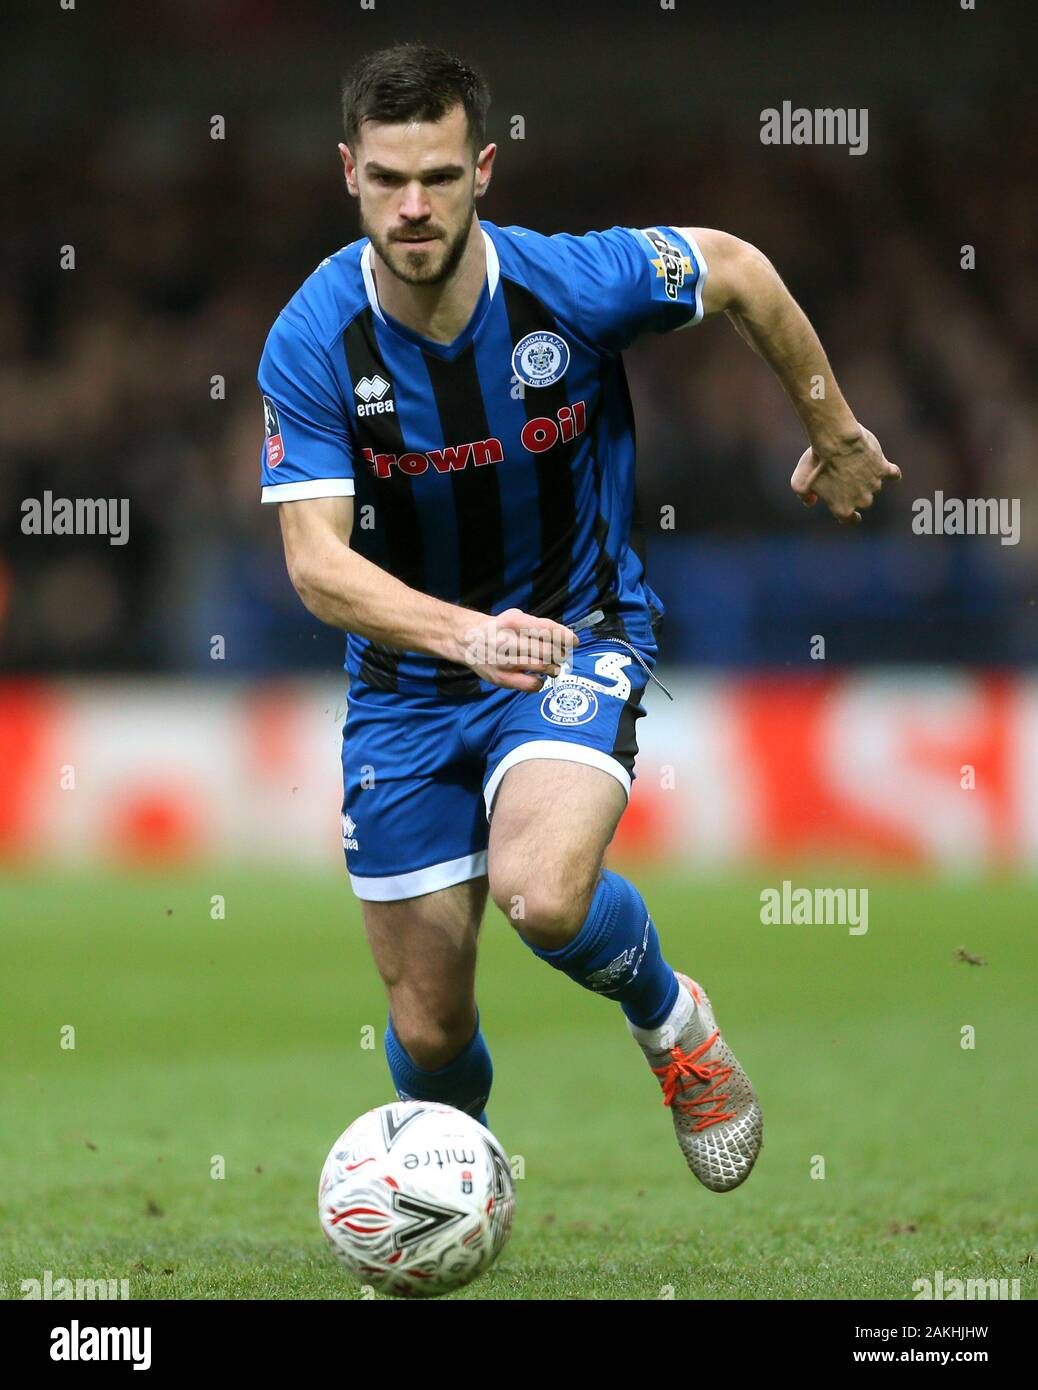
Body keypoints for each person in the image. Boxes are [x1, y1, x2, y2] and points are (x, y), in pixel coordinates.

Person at [258, 42, 899, 1193]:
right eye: (390, 178)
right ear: (348, 173)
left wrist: (833, 427)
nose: (414, 207)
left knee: (544, 896)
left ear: (485, 171)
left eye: (441, 177)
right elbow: (315, 565)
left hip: (578, 635)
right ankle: (459, 1190)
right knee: (432, 1026)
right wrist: (464, 634)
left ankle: (673, 1022)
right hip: (408, 688)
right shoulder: (312, 340)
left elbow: (740, 269)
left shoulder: (574, 283)